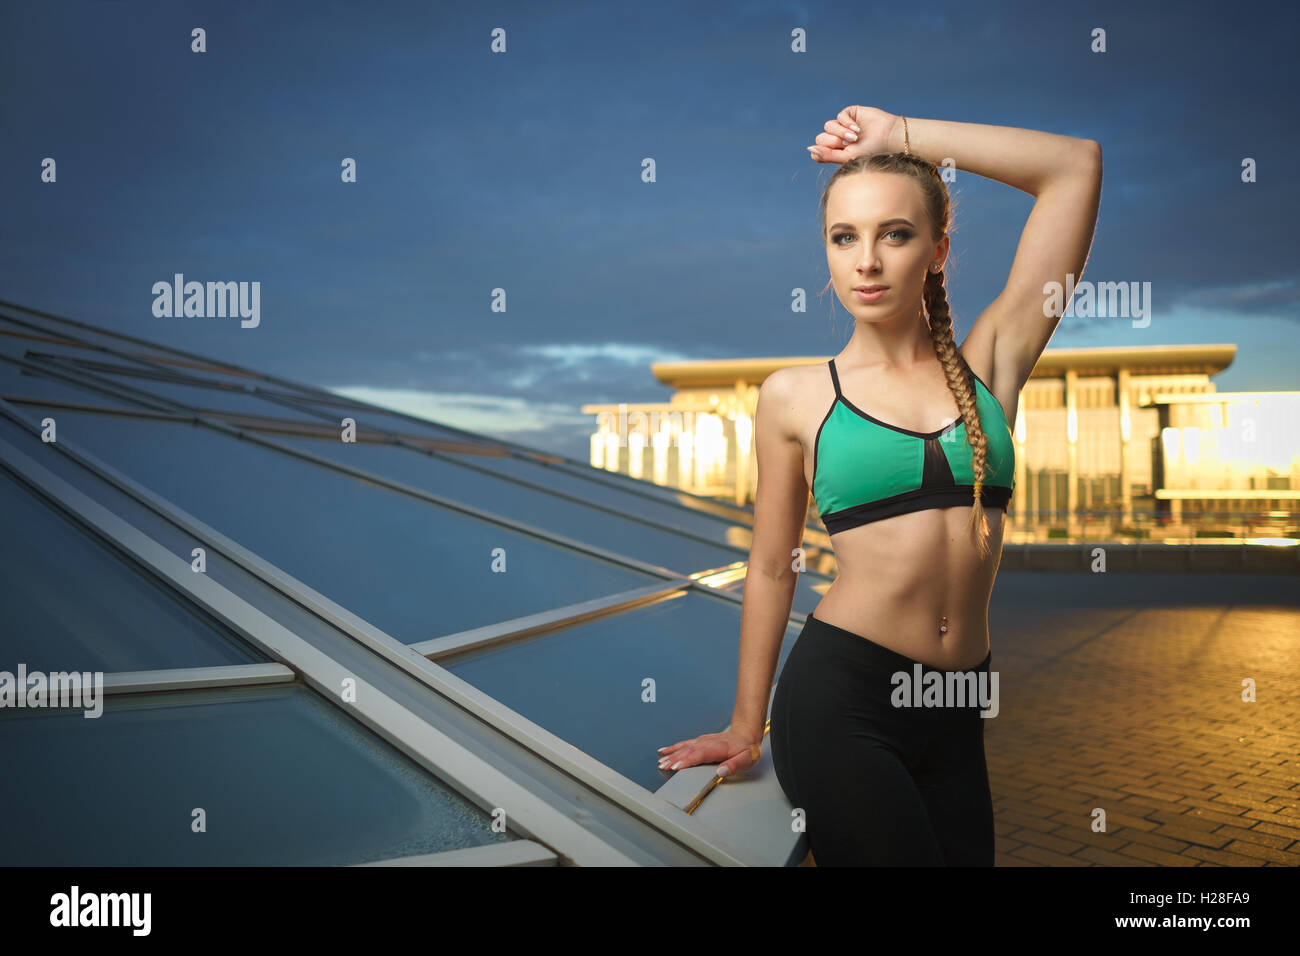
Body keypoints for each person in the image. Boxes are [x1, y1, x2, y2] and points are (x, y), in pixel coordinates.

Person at [656, 106, 1102, 865]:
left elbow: (1075, 164)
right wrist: (744, 723)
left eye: (894, 233)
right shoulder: (797, 395)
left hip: (958, 705)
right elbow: (772, 565)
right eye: (844, 237)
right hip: (843, 700)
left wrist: (900, 134)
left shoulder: (989, 365)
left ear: (936, 250)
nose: (866, 260)